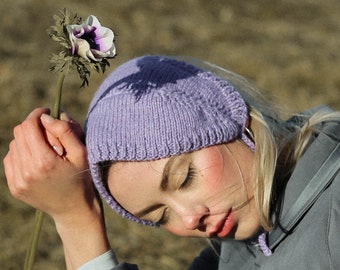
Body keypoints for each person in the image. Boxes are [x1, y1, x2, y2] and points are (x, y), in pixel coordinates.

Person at [4, 55, 340, 270]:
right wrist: (74, 220)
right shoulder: (235, 251)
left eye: (185, 177)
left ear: (228, 115)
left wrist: (77, 223)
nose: (190, 219)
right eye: (161, 215)